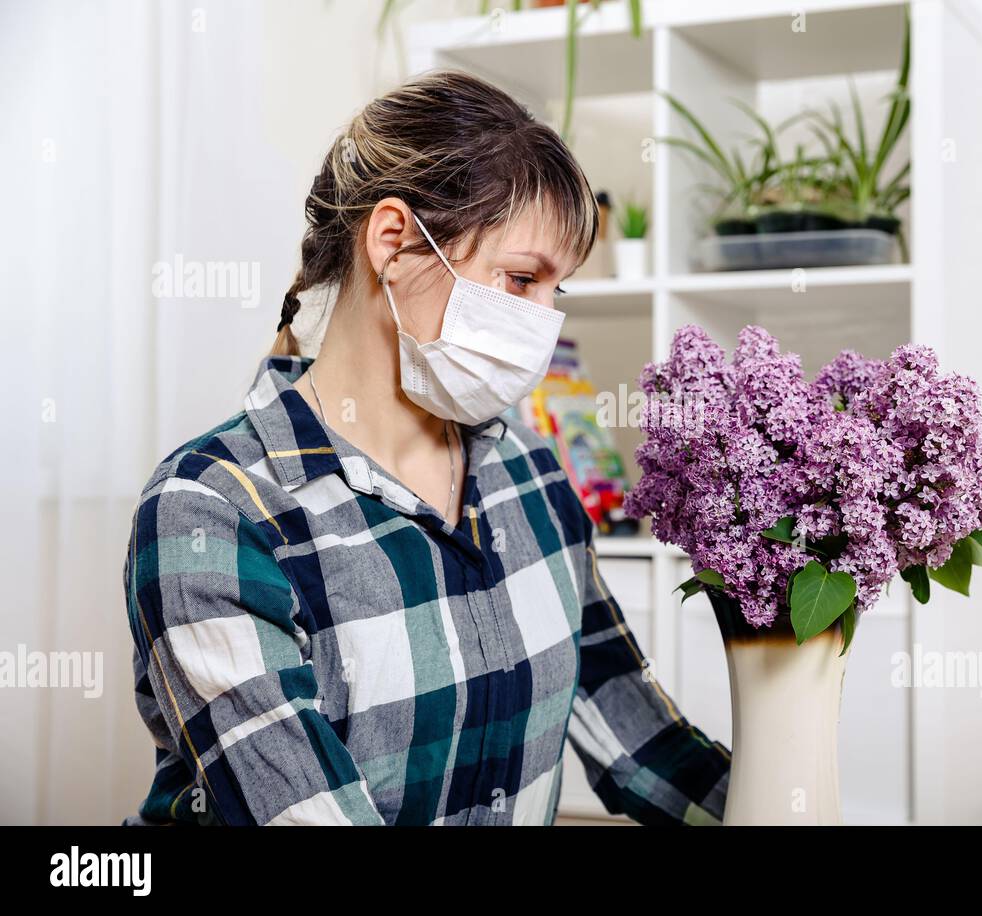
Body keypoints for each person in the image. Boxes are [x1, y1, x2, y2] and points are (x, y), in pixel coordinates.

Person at [122, 70, 729, 826]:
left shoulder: (532, 479)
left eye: (555, 293)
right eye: (518, 279)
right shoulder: (212, 512)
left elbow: (640, 742)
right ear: (394, 241)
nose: (543, 327)